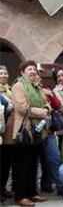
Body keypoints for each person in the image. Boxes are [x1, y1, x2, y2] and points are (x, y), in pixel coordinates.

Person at [7, 60, 49, 206]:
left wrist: (46, 109)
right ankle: (20, 195)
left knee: (33, 164)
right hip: (24, 130)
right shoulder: (19, 86)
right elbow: (22, 108)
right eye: (29, 69)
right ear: (22, 72)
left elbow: (46, 102)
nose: (33, 72)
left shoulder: (36, 87)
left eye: (34, 70)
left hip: (38, 131)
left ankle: (32, 193)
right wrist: (43, 112)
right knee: (21, 165)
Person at [0, 65, 13, 200]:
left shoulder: (10, 89)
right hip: (0, 131)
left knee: (6, 162)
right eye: (1, 73)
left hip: (8, 132)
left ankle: (3, 188)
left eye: (5, 73)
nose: (3, 75)